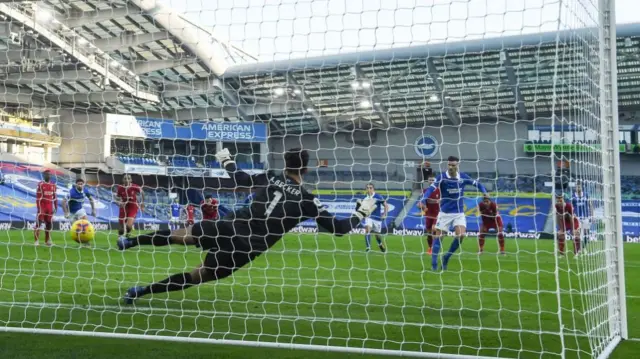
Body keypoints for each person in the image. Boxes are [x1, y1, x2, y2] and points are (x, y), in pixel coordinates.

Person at [116, 148, 378, 304]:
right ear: (306, 170)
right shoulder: (310, 201)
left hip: (231, 225)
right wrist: (360, 213)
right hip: (247, 246)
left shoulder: (273, 176)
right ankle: (140, 291)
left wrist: (227, 160)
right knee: (199, 276)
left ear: (285, 164)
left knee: (179, 236)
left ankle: (131, 241)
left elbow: (240, 177)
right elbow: (341, 229)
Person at [420, 156, 488, 271]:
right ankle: (434, 265)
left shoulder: (463, 177)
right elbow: (431, 189)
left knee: (461, 235)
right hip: (444, 213)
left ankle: (446, 257)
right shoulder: (441, 177)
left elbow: (478, 184)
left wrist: (485, 192)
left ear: (458, 165)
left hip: (459, 213)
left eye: (453, 165)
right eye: (449, 165)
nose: (451, 167)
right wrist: (423, 199)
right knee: (438, 238)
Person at [362, 183, 388, 253]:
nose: (369, 189)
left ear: (373, 189)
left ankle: (380, 244)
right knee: (367, 230)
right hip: (369, 217)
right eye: (367, 188)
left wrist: (385, 214)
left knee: (377, 235)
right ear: (366, 189)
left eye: (370, 188)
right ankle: (368, 247)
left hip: (377, 219)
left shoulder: (378, 196)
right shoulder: (365, 198)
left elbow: (386, 205)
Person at [417, 175, 440, 254]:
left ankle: (435, 247)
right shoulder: (424, 191)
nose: (431, 181)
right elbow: (419, 204)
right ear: (428, 181)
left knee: (434, 229)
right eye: (430, 180)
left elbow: (441, 202)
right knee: (429, 232)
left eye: (433, 180)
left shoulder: (439, 191)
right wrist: (423, 207)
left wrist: (436, 202)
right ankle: (430, 247)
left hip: (437, 214)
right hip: (428, 214)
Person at [35, 170, 57, 246]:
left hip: (50, 207)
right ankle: (36, 241)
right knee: (39, 224)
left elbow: (55, 197)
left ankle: (47, 241)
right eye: (47, 174)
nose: (48, 176)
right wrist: (39, 208)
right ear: (44, 175)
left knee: (49, 224)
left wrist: (56, 207)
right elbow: (38, 198)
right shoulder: (40, 184)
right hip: (42, 206)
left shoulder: (53, 185)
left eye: (49, 174)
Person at [571, 181, 594, 250]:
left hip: (586, 217)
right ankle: (577, 249)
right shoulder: (573, 196)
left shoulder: (586, 195)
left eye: (579, 187)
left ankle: (583, 247)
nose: (578, 188)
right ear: (575, 188)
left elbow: (590, 205)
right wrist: (572, 214)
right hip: (577, 217)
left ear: (581, 187)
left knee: (586, 233)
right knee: (577, 233)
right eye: (577, 187)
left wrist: (592, 216)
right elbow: (571, 207)